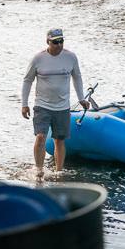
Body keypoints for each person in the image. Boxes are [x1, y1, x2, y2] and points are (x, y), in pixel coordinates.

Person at [21, 28, 89, 179]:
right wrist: (24, 104)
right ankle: (39, 170)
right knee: (40, 137)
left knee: (59, 140)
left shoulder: (70, 57)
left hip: (62, 106)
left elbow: (77, 77)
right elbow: (27, 80)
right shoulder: (38, 59)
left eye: (61, 41)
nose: (59, 45)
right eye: (55, 42)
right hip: (42, 105)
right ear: (48, 42)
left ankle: (59, 172)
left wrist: (81, 98)